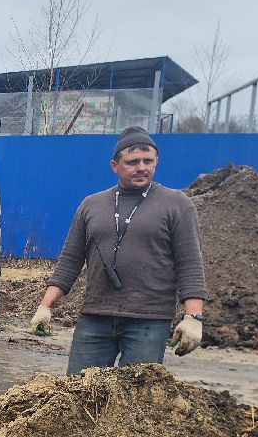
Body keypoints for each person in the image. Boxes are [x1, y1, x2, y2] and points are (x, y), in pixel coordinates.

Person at [29, 126, 207, 374]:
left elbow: (190, 264)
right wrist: (45, 307)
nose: (142, 167)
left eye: (148, 161)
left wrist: (193, 318)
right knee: (79, 392)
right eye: (132, 162)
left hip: (149, 320)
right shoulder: (91, 205)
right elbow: (70, 260)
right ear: (115, 165)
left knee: (134, 397)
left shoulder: (177, 205)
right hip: (95, 317)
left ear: (157, 161)